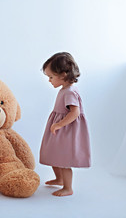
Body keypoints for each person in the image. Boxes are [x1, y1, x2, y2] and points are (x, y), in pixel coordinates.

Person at [39, 52, 91, 197]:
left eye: (51, 77)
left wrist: (59, 125)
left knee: (64, 159)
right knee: (52, 153)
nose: (49, 80)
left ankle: (68, 187)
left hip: (66, 131)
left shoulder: (69, 92)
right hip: (60, 129)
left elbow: (74, 113)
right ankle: (59, 179)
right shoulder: (65, 89)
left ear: (62, 75)